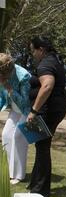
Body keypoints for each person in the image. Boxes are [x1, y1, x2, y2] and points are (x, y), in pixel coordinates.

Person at [27, 36, 66, 197]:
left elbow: (47, 85)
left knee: (42, 147)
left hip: (47, 110)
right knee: (41, 146)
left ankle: (40, 190)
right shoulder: (54, 61)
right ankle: (35, 184)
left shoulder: (46, 64)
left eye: (33, 51)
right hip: (56, 108)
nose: (33, 54)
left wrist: (34, 111)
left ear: (41, 50)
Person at [0, 53, 31, 184]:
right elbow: (2, 97)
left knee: (18, 137)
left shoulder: (23, 76)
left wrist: (10, 89)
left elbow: (25, 102)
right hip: (14, 109)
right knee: (6, 135)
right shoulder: (2, 75)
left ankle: (18, 175)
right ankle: (7, 171)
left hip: (27, 110)